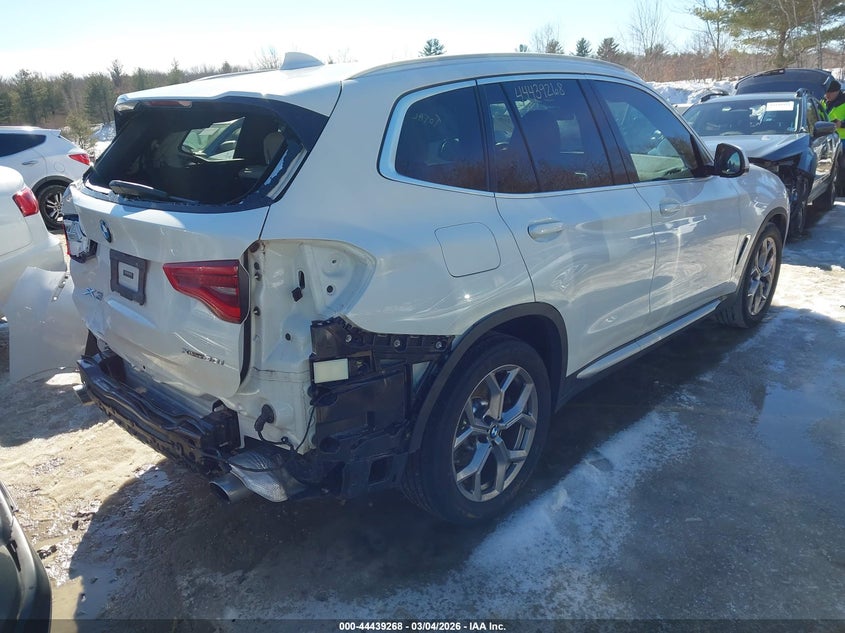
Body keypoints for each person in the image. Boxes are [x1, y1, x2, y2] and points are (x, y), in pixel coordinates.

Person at [823, 79, 845, 194]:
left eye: (830, 92)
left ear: (837, 91)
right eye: (826, 92)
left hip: (843, 139)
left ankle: (841, 191)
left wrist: (841, 124)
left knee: (842, 167)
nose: (828, 95)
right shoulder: (823, 102)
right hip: (827, 140)